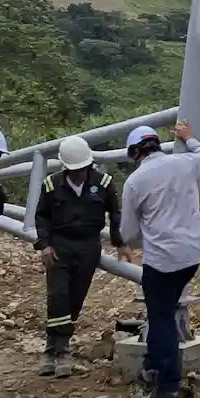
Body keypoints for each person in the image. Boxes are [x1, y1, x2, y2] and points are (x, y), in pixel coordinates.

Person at [119, 120, 200, 398]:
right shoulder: (185, 163)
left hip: (161, 261)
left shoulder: (135, 182)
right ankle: (152, 365)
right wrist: (190, 138)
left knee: (161, 319)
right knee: (165, 310)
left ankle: (167, 387)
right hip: (192, 256)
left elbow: (128, 233)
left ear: (134, 153)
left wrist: (139, 237)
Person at [34, 135, 127, 377]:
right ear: (65, 167)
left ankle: (54, 345)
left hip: (88, 247)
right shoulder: (52, 184)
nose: (78, 174)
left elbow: (115, 213)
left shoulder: (103, 183)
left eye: (82, 170)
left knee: (75, 298)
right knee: (58, 296)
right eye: (73, 170)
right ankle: (60, 351)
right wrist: (45, 245)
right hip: (60, 246)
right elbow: (41, 216)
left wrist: (118, 241)